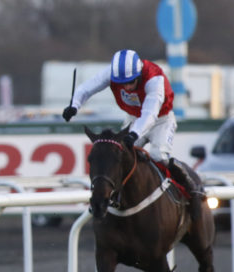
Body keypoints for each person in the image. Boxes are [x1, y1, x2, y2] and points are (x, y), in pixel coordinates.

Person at [62, 49, 204, 219]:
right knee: (121, 157)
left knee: (158, 156)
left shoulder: (154, 78)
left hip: (161, 118)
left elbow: (150, 113)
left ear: (138, 74)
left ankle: (192, 191)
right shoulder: (113, 73)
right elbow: (87, 87)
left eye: (130, 82)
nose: (127, 87)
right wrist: (74, 105)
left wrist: (134, 134)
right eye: (122, 83)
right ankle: (116, 198)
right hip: (134, 117)